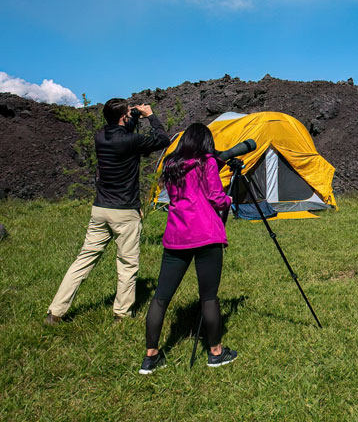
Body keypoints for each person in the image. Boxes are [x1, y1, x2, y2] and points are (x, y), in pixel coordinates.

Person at [46, 99, 171, 324]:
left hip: (100, 209)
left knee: (84, 259)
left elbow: (121, 129)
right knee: (127, 264)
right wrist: (150, 115)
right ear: (123, 117)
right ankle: (121, 314)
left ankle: (56, 311)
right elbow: (162, 139)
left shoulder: (101, 136)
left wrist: (130, 115)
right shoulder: (130, 141)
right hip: (124, 212)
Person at [138, 122, 237, 374]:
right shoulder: (207, 163)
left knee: (161, 296)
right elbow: (216, 197)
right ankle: (216, 352)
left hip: (176, 235)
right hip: (206, 234)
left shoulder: (170, 165)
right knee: (209, 296)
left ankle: (151, 357)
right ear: (206, 143)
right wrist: (229, 200)